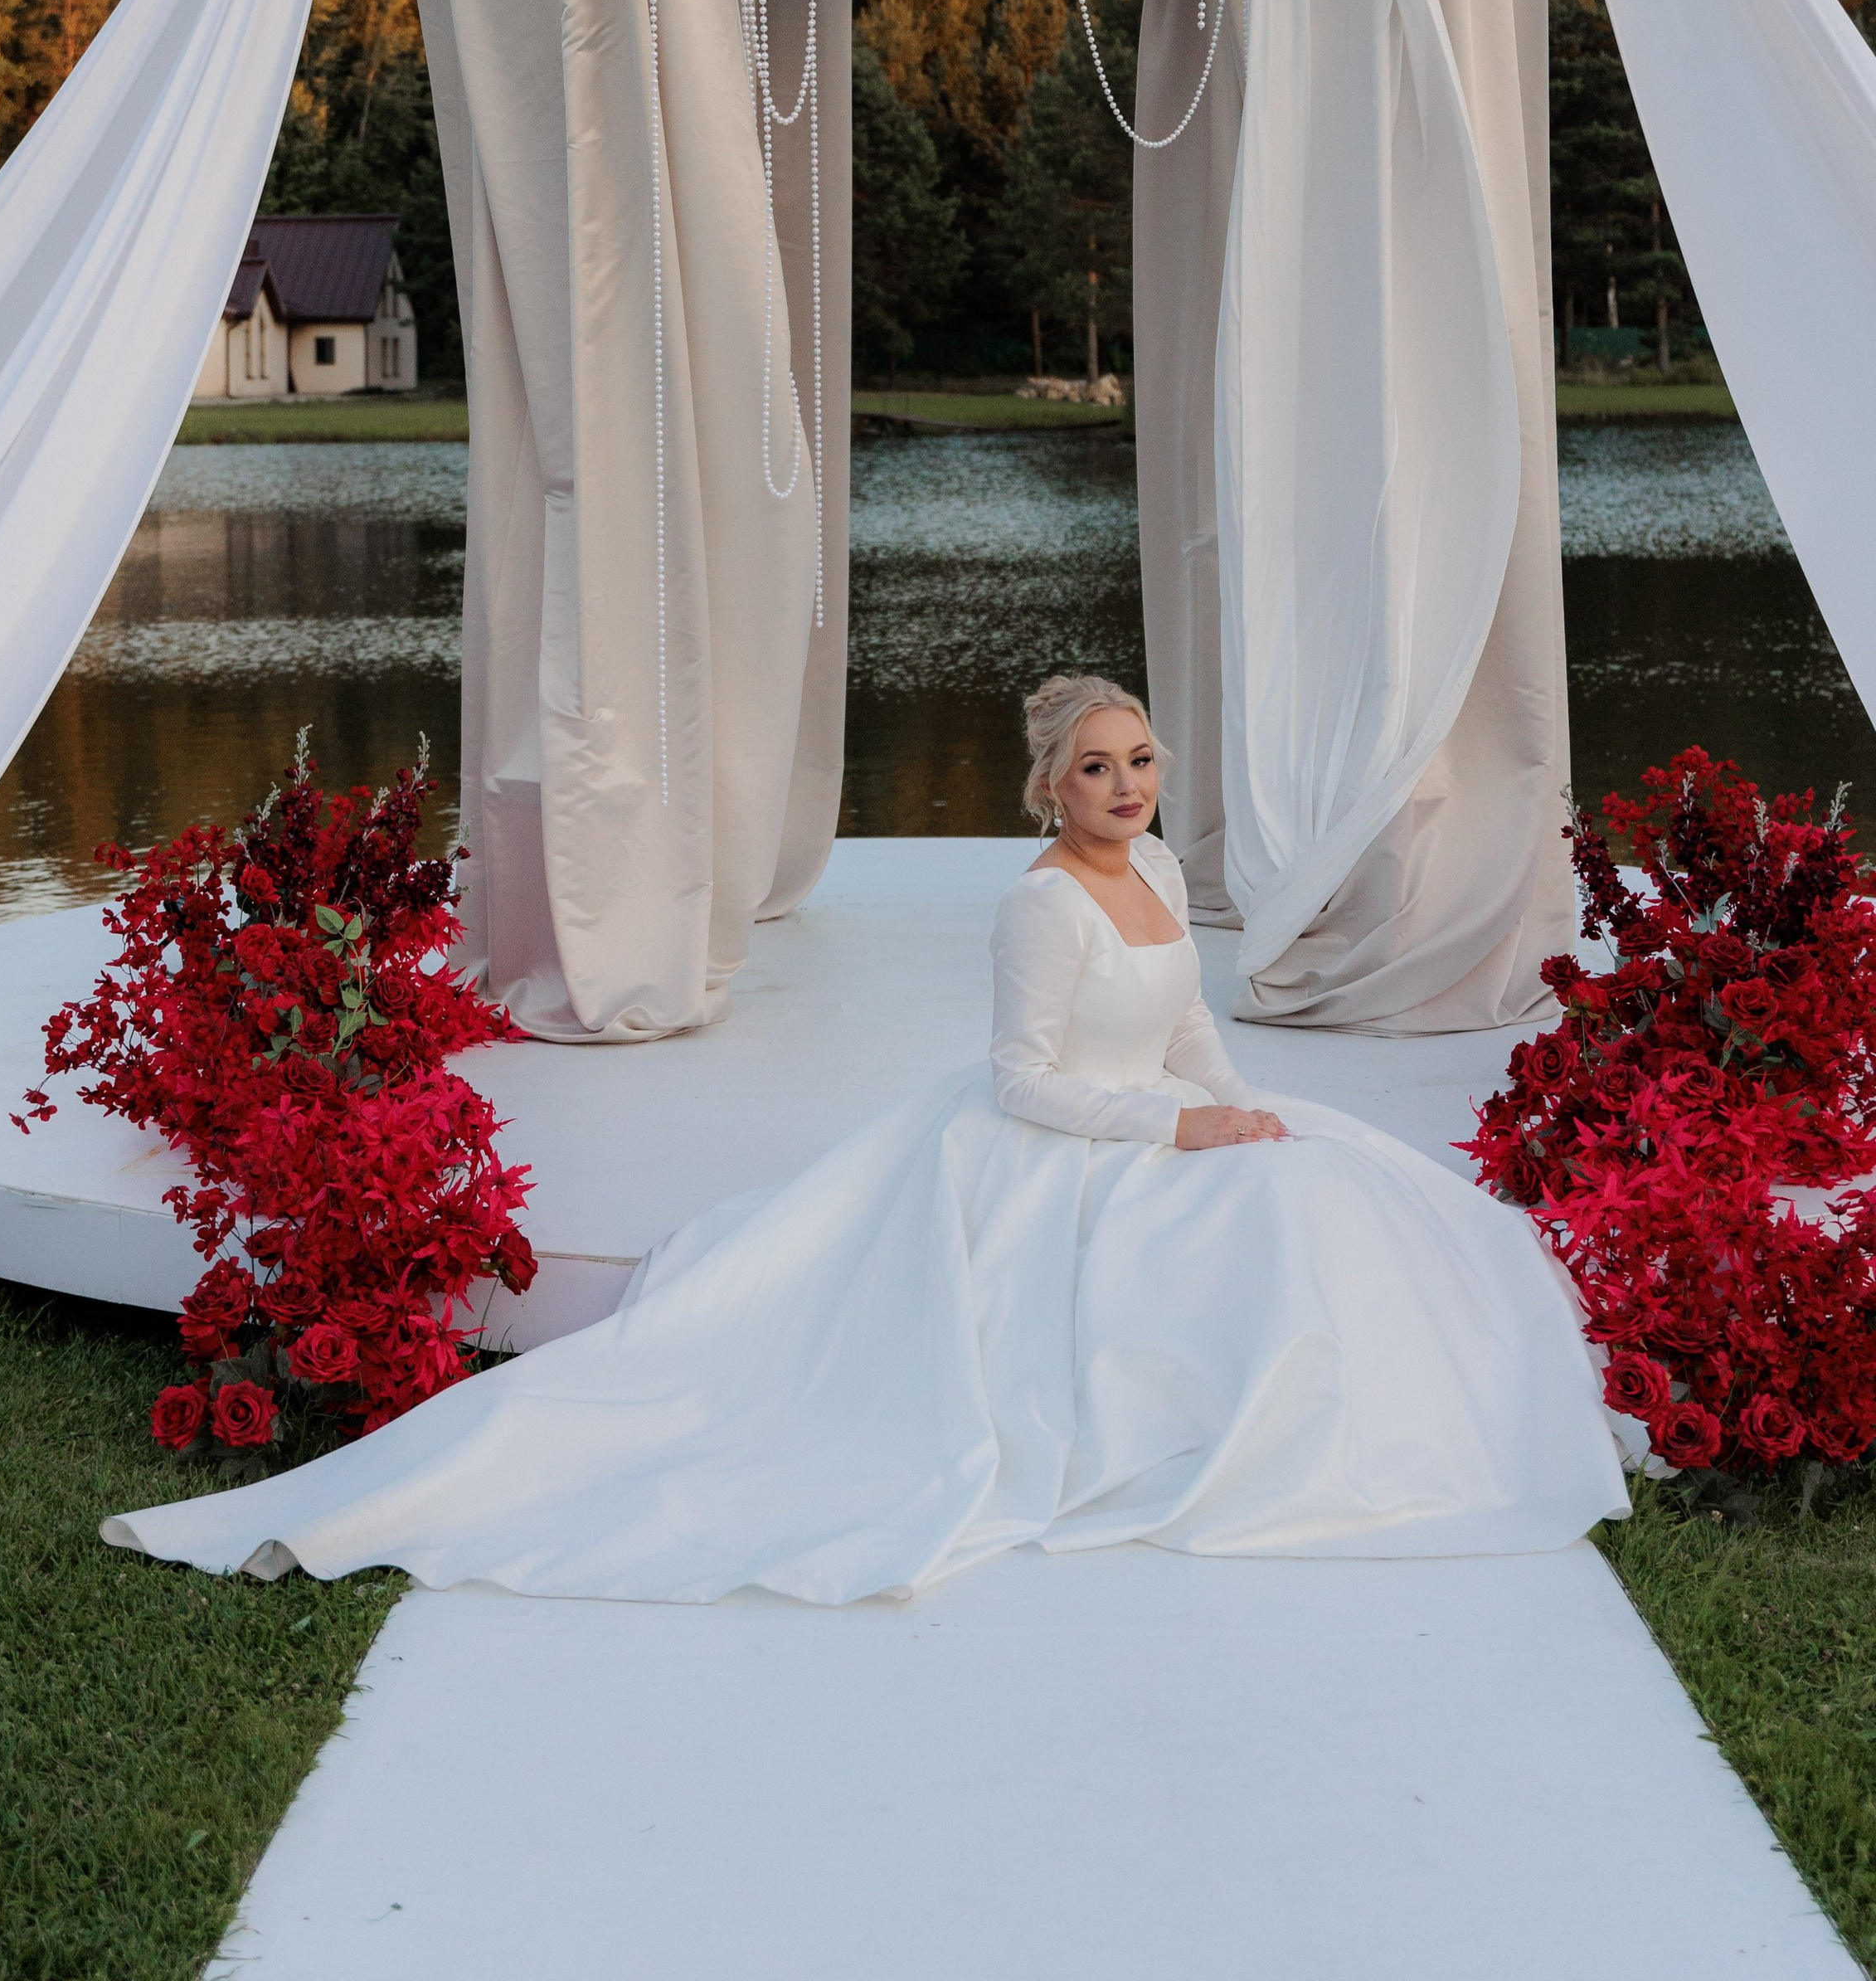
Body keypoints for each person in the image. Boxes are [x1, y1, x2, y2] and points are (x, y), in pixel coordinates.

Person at [104, 674, 1626, 1599]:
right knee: (1227, 1234)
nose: (1126, 786)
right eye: (1097, 767)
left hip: (1167, 1113)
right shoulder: (1039, 904)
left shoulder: (1159, 868)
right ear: (1049, 786)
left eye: (1143, 760)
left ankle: (1371, 1435)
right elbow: (1026, 1079)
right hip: (1058, 1153)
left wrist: (1239, 1102)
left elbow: (1182, 1024)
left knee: (1337, 1197)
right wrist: (1177, 1134)